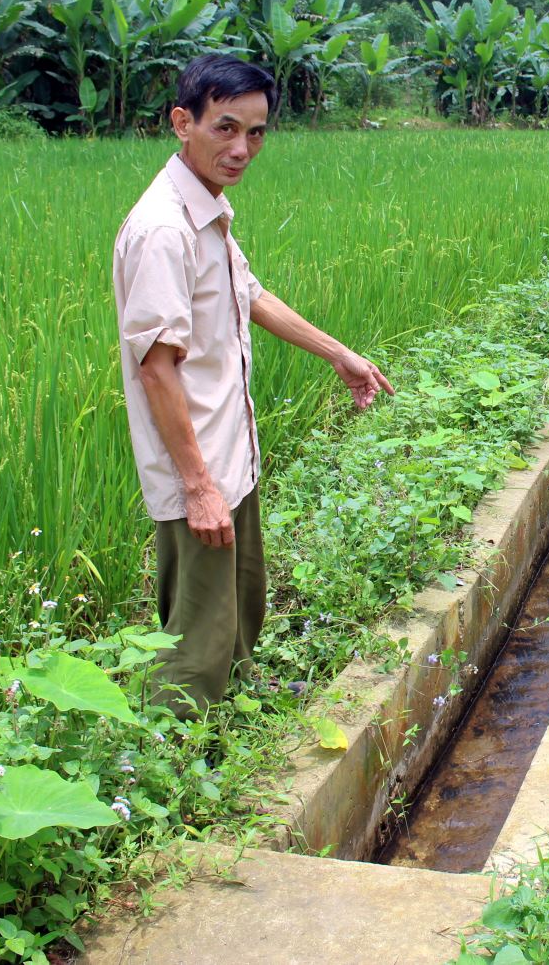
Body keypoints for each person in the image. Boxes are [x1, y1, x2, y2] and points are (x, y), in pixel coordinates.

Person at [113, 53, 393, 717]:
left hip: (229, 452)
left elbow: (250, 294)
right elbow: (156, 367)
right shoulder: (162, 230)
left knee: (240, 604)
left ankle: (235, 716)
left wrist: (338, 354)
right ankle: (181, 762)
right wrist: (198, 486)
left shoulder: (208, 208)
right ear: (183, 122)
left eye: (258, 132)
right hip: (199, 466)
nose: (243, 149)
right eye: (226, 128)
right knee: (197, 638)